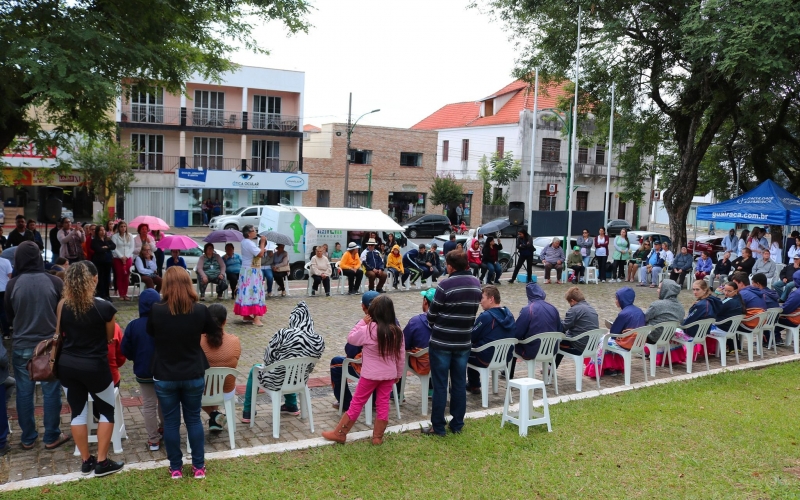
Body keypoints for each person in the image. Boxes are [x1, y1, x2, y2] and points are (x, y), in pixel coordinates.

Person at [56, 261, 124, 477]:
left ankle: (86, 461)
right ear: (91, 280)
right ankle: (102, 462)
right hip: (94, 365)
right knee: (106, 410)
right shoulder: (105, 308)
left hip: (67, 364)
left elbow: (59, 334)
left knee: (77, 413)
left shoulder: (62, 305)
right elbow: (109, 339)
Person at [148, 266, 216, 479]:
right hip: (192, 372)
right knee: (194, 419)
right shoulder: (199, 310)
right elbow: (212, 330)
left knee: (170, 422)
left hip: (165, 373)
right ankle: (198, 467)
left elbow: (151, 332)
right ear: (188, 283)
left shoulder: (157, 310)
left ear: (166, 284)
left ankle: (175, 468)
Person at [5, 241, 67, 451]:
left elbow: (9, 315)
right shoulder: (54, 282)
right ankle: (51, 436)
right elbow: (62, 312)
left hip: (22, 345)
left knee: (24, 392)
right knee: (51, 391)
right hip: (48, 346)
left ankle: (28, 437)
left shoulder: (13, 284)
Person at [323, 295, 402, 445]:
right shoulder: (397, 332)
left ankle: (340, 433)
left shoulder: (369, 329)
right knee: (383, 404)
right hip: (388, 375)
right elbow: (401, 356)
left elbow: (351, 339)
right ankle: (377, 437)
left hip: (369, 375)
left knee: (357, 403)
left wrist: (361, 323)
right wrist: (398, 373)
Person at [423, 250, 481, 436]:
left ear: (450, 265)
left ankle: (438, 427)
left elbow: (431, 315)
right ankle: (457, 424)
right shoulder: (476, 284)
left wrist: (438, 325)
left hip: (442, 341)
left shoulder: (445, 285)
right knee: (458, 383)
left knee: (440, 385)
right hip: (463, 341)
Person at [242, 301, 324, 421]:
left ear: (293, 318)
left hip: (276, 381)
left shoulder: (283, 334)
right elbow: (310, 367)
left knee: (255, 369)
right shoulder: (318, 340)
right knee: (290, 371)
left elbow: (267, 358)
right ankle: (291, 405)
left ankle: (248, 411)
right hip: (300, 381)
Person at [120, 288, 163, 451]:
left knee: (149, 404)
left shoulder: (133, 326)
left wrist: (135, 357)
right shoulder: (163, 323)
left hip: (143, 370)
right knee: (164, 402)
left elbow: (125, 348)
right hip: (162, 371)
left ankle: (153, 440)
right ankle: (164, 429)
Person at [327, 292, 380, 412]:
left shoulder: (365, 327)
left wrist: (361, 324)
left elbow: (350, 350)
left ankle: (346, 403)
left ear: (363, 307)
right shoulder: (393, 324)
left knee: (337, 363)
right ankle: (376, 399)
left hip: (368, 369)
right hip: (388, 368)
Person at [466, 285, 516, 394]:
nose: (480, 302)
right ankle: (474, 385)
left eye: (482, 298)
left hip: (486, 358)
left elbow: (472, 336)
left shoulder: (486, 316)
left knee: (465, 352)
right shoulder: (509, 314)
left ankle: (473, 385)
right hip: (505, 357)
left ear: (491, 299)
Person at [586, 287, 646, 377]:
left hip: (626, 343)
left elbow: (614, 334)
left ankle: (597, 369)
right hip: (638, 343)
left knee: (602, 340)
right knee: (606, 340)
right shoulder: (639, 311)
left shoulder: (624, 314)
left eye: (617, 298)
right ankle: (613, 367)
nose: (615, 301)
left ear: (622, 299)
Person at [200, 304, 241, 432]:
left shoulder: (197, 341)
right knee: (217, 381)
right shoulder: (235, 341)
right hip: (226, 391)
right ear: (225, 321)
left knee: (194, 388)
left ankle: (214, 415)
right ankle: (215, 418)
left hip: (202, 392)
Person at [511, 278, 562, 376]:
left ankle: (509, 375)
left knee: (511, 346)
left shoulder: (528, 310)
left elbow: (517, 333)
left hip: (532, 350)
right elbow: (560, 329)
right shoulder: (553, 308)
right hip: (551, 350)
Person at [555, 287, 599, 368]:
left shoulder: (574, 310)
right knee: (563, 341)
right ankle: (551, 368)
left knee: (554, 342)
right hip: (592, 346)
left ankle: (550, 369)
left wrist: (557, 320)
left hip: (579, 346)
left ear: (572, 300)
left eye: (569, 302)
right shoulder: (591, 308)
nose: (570, 305)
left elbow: (563, 328)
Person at [403, 288, 435, 395]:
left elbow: (404, 343)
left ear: (425, 301)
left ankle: (397, 393)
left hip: (422, 363)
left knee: (401, 356)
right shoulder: (447, 320)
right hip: (443, 362)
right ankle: (432, 388)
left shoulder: (415, 321)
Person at [235, 225, 267, 327]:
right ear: (249, 233)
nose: (255, 232)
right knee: (254, 291)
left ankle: (246, 314)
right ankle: (256, 317)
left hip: (247, 270)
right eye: (254, 230)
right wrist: (262, 243)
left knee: (246, 292)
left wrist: (261, 248)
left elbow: (257, 253)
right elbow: (260, 254)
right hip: (251, 271)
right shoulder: (248, 242)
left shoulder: (245, 242)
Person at [644, 279, 685, 344]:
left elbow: (644, 318)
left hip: (652, 338)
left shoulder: (657, 305)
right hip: (668, 338)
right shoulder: (681, 307)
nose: (657, 290)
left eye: (660, 288)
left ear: (666, 290)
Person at [91, 225, 116, 301]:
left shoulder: (107, 239)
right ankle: (101, 294)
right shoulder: (94, 241)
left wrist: (107, 247)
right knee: (100, 278)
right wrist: (106, 248)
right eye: (100, 230)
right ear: (97, 232)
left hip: (107, 261)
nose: (103, 232)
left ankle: (107, 294)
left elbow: (113, 246)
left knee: (107, 278)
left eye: (103, 230)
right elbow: (98, 249)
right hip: (99, 262)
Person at [111, 220, 134, 301]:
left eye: (124, 226)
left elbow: (132, 247)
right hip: (118, 258)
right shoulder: (115, 236)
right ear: (118, 227)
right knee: (119, 276)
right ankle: (121, 293)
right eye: (121, 226)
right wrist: (121, 256)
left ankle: (125, 293)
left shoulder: (130, 236)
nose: (123, 228)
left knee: (126, 276)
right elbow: (114, 248)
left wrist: (126, 256)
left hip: (128, 258)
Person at [0, 254, 12, 339]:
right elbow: (10, 275)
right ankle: (6, 333)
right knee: (3, 311)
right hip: (4, 288)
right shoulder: (6, 261)